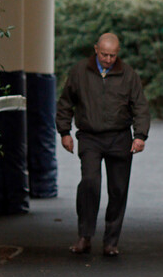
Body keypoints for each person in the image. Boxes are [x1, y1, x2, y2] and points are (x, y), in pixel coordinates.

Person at [56, 33, 150, 257]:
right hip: (90, 136)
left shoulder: (128, 74)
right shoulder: (80, 71)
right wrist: (64, 132)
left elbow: (140, 106)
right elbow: (66, 102)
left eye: (113, 55)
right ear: (96, 49)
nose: (108, 59)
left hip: (119, 137)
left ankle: (111, 241)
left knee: (118, 189)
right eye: (105, 54)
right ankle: (84, 236)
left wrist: (140, 136)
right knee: (90, 183)